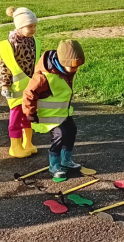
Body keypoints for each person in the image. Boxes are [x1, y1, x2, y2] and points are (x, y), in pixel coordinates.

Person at [22, 40, 85, 178]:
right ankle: (54, 165)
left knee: (71, 130)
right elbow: (28, 93)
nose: (75, 70)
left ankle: (66, 160)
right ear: (62, 62)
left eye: (77, 67)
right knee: (60, 135)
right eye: (73, 67)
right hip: (47, 116)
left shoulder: (65, 70)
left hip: (62, 113)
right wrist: (29, 112)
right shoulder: (43, 77)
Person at [0, 6, 40, 158]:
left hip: (29, 87)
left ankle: (28, 143)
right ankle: (15, 146)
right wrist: (5, 84)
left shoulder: (33, 41)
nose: (33, 29)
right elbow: (4, 66)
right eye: (29, 26)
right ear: (20, 27)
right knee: (16, 117)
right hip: (14, 88)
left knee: (28, 114)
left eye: (34, 26)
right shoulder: (10, 43)